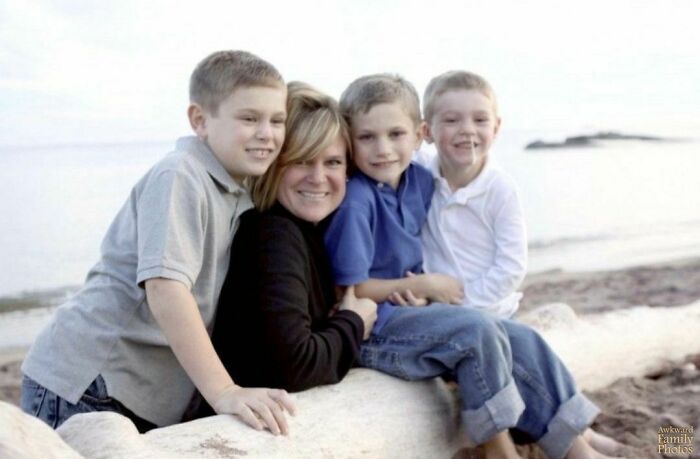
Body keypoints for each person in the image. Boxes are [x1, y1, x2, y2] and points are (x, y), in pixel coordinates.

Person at [323, 73, 622, 459]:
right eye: (367, 137)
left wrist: (428, 297)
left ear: (417, 136)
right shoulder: (357, 201)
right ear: (350, 140)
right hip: (372, 327)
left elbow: (506, 260)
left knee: (523, 339)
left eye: (396, 135)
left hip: (417, 314)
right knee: (478, 330)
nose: (383, 149)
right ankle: (499, 447)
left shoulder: (417, 178)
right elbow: (351, 291)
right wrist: (429, 286)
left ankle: (581, 442)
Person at [20, 50, 295, 435]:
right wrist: (225, 391)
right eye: (249, 118)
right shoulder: (181, 174)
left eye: (277, 120)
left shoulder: (235, 188)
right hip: (88, 383)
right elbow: (167, 289)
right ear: (200, 120)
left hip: (136, 391)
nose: (267, 133)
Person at [192, 82, 376, 419]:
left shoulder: (307, 232)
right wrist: (354, 322)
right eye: (302, 160)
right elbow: (294, 364)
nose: (319, 178)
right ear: (275, 164)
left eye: (333, 162)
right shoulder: (272, 233)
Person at [416, 70, 527, 319]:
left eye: (480, 120)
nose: (467, 130)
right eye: (452, 120)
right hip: (435, 309)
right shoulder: (418, 174)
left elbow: (511, 268)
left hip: (492, 311)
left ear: (496, 127)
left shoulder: (500, 190)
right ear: (426, 131)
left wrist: (463, 302)